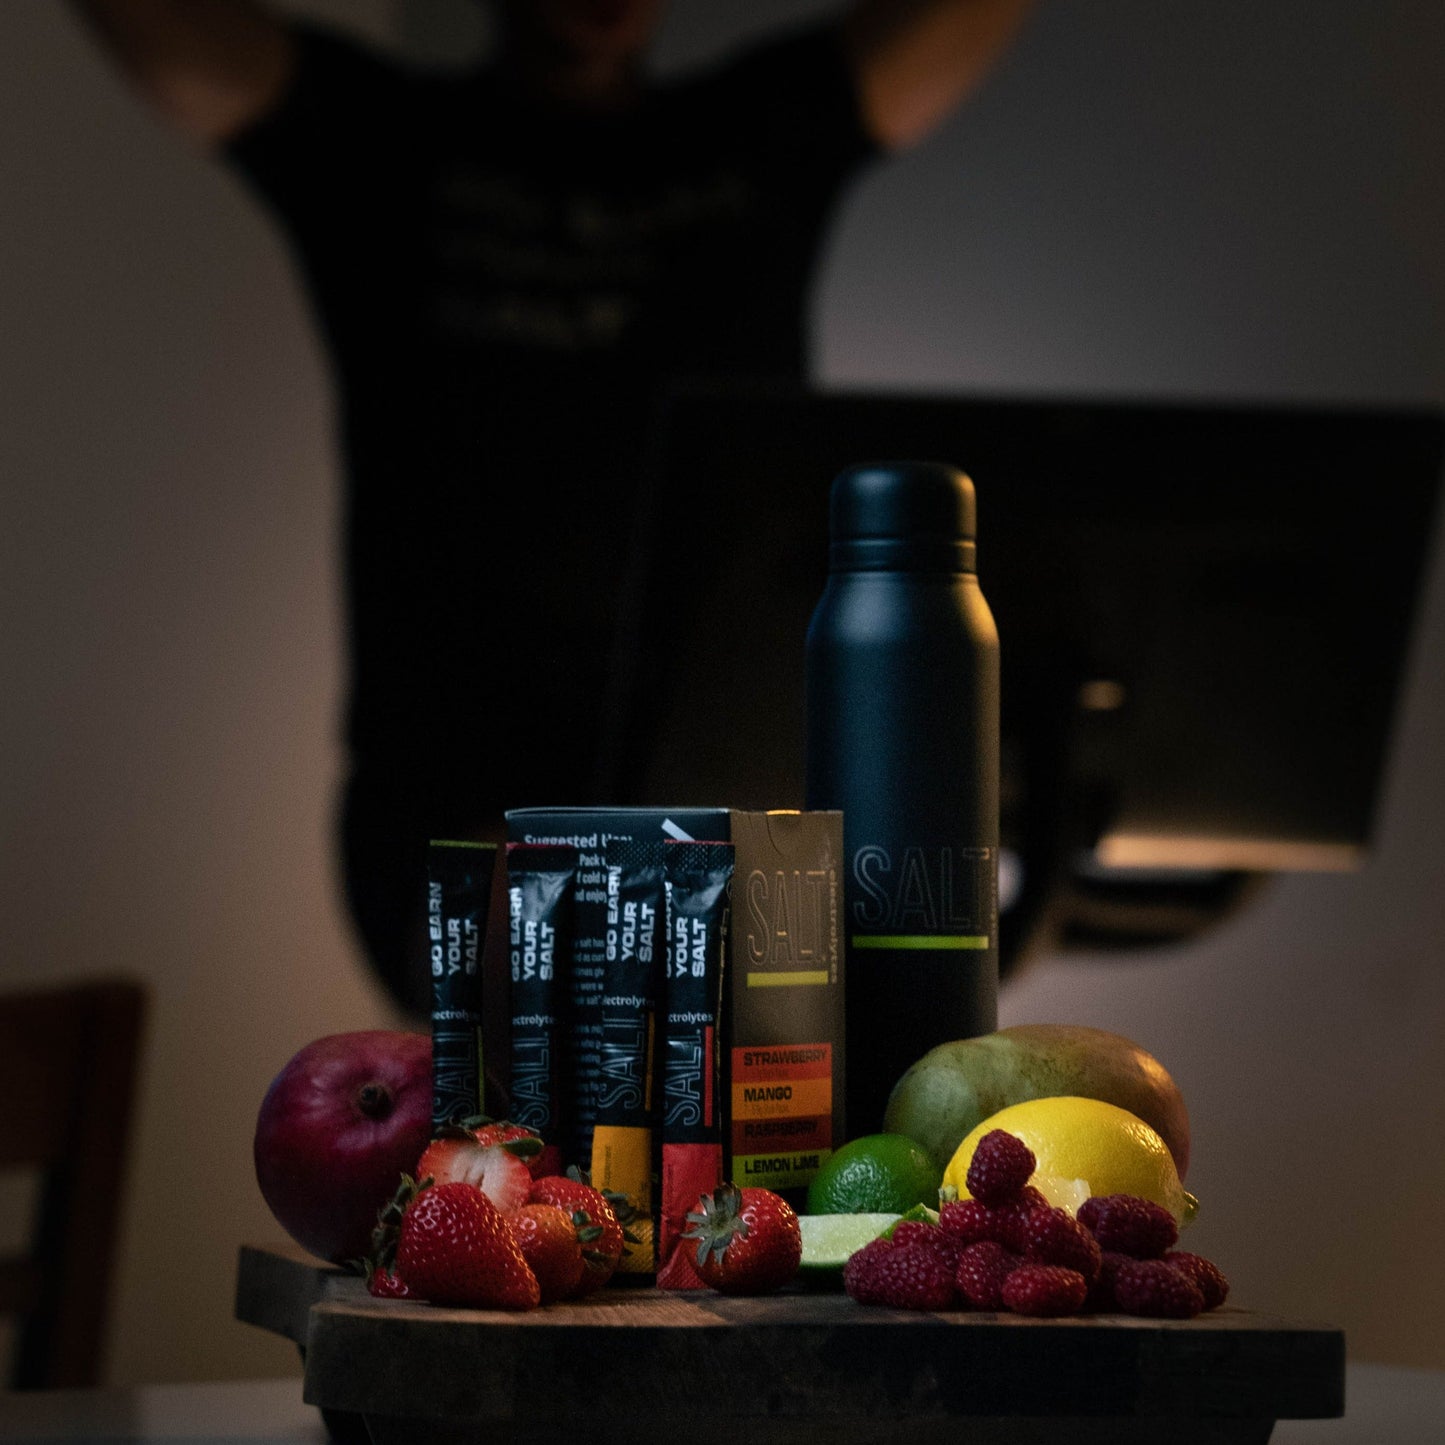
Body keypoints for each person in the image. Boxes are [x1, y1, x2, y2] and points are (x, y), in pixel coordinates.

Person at [71, 0, 1036, 1017]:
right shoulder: (377, 142)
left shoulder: (756, 135)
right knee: (557, 1114)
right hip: (449, 798)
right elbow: (180, 51)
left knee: (761, 1125)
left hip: (730, 795)